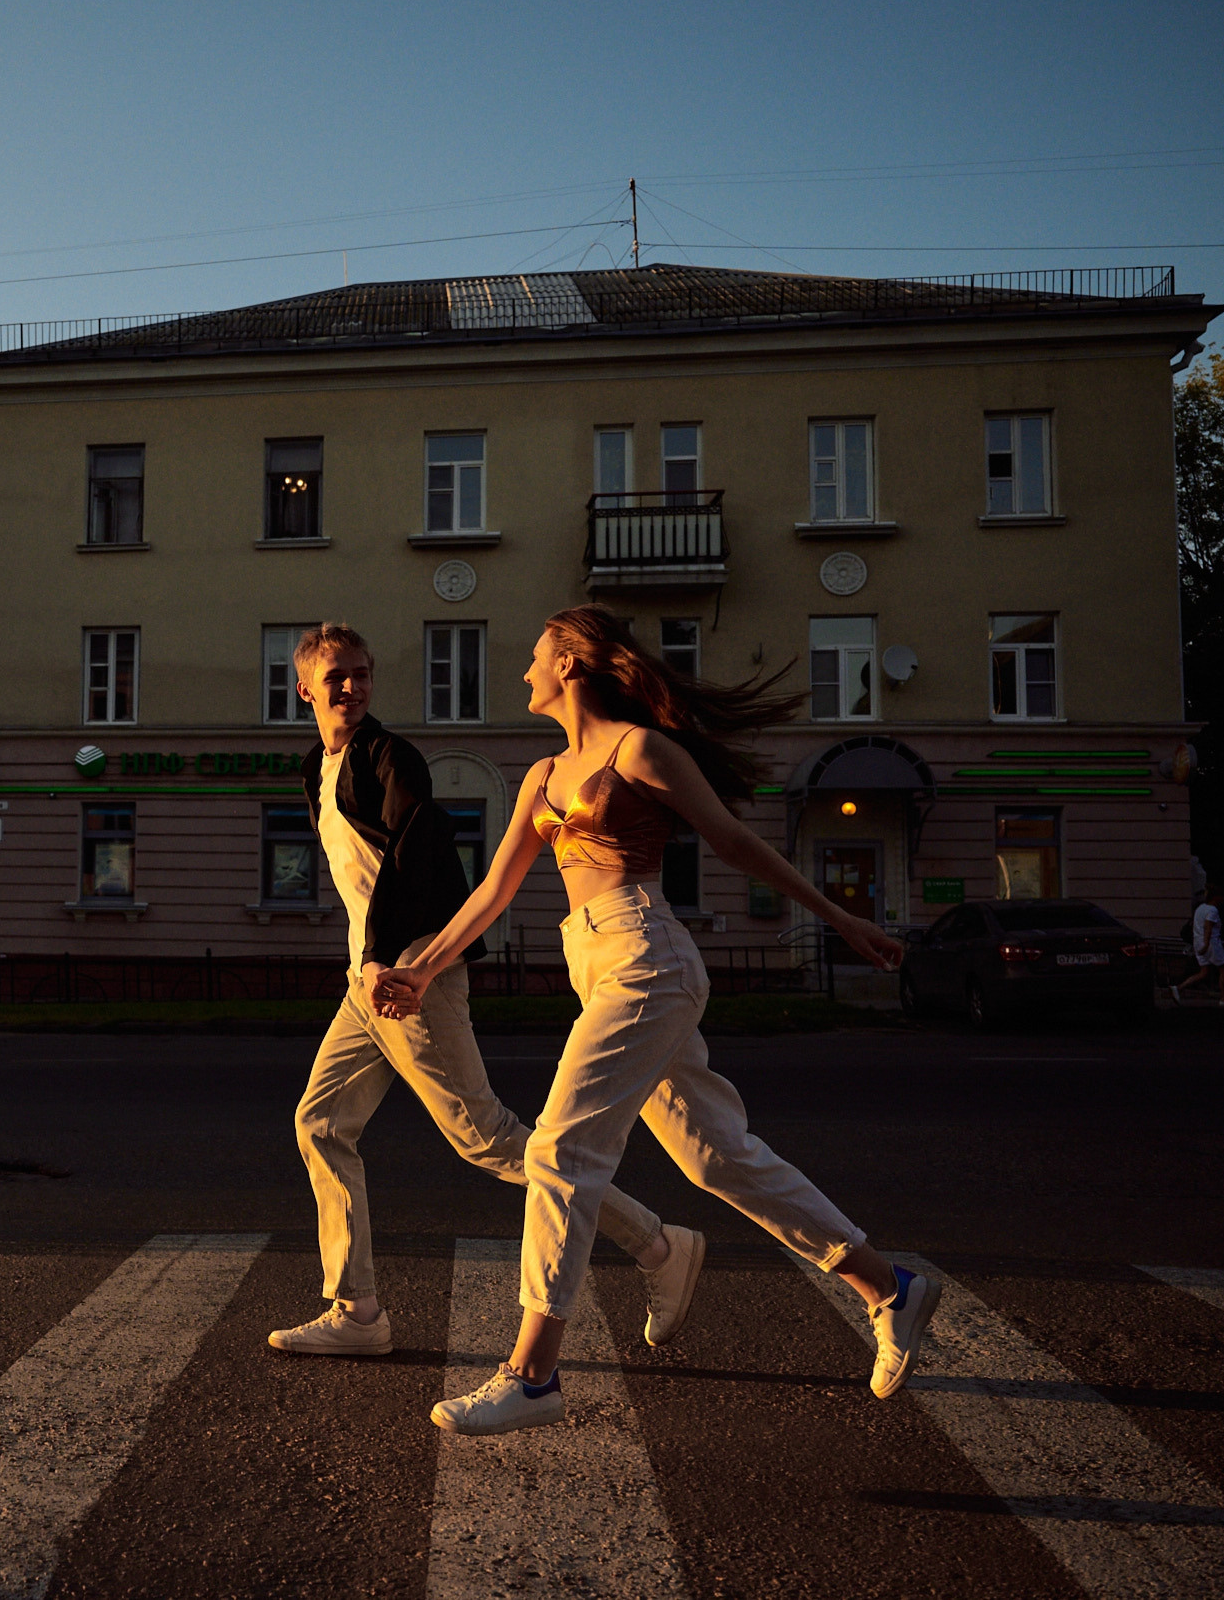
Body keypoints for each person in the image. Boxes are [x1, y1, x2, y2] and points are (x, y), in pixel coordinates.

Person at [376, 606, 936, 1435]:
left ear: (570, 663)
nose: (524, 670)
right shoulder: (540, 776)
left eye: (534, 657)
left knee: (560, 1147)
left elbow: (735, 843)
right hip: (595, 964)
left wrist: (838, 918)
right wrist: (420, 969)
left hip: (648, 957)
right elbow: (492, 893)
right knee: (719, 1158)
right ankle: (889, 1285)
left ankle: (531, 1374)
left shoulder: (638, 750)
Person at [266, 623, 707, 1361]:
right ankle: (358, 1308)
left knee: (486, 1136)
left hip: (407, 974)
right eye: (336, 676)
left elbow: (420, 858)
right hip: (365, 978)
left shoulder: (387, 756)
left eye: (362, 673)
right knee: (320, 1123)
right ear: (305, 687)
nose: (351, 687)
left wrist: (401, 964)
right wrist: (363, 962)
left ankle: (658, 1244)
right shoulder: (318, 763)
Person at [1174, 885, 1224, 1007]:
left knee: (1203, 972)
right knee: (1223, 968)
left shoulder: (1200, 908)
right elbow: (1208, 927)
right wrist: (1207, 944)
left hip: (1198, 942)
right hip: (1211, 944)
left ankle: (1178, 988)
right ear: (1216, 897)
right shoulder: (1212, 910)